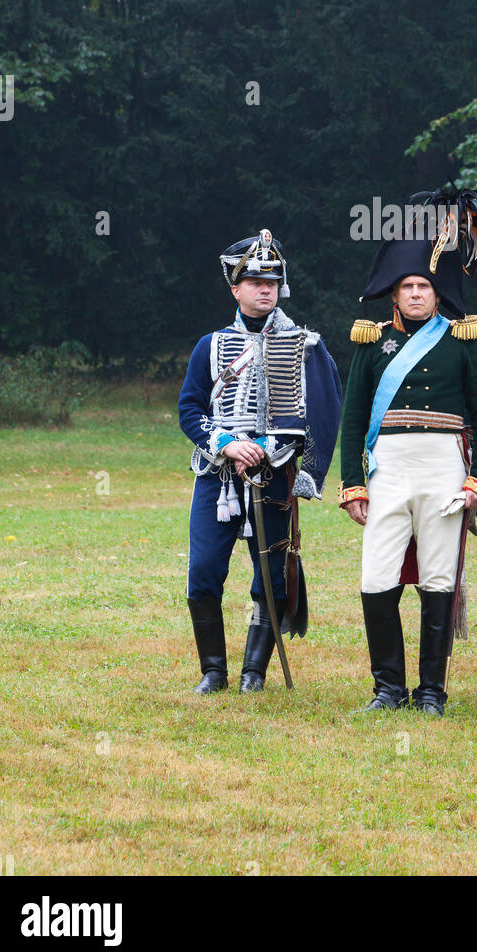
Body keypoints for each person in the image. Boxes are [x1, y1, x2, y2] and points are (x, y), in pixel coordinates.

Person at [339, 190, 477, 716]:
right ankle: (388, 688)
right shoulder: (370, 342)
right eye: (407, 286)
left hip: (442, 469)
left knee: (436, 577)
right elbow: (352, 419)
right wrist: (352, 483)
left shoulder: (461, 342)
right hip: (388, 470)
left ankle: (431, 690)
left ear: (437, 294)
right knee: (376, 576)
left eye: (423, 287)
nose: (415, 294)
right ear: (394, 293)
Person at [178, 229, 342, 693]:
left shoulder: (305, 345)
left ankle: (254, 673)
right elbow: (190, 409)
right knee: (204, 569)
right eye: (254, 281)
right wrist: (227, 442)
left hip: (273, 477)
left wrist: (273, 452)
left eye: (272, 279)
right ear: (236, 288)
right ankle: (213, 671)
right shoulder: (209, 346)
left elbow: (320, 411)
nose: (265, 288)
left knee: (270, 575)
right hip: (217, 478)